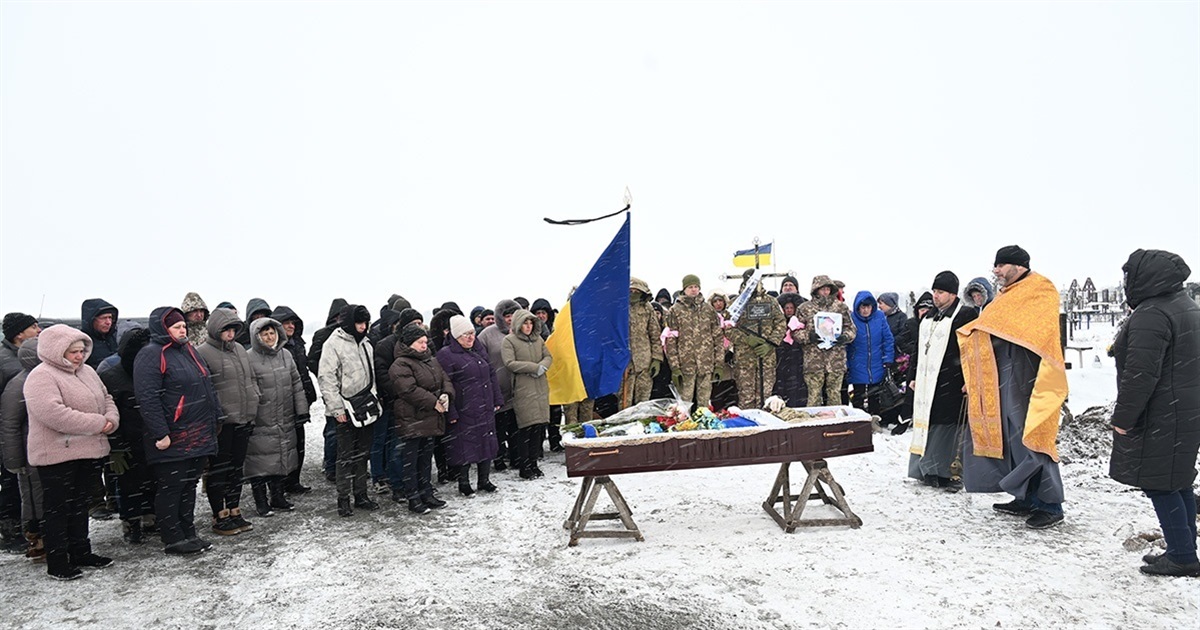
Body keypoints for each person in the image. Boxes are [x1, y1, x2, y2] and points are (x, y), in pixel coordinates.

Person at [958, 245, 1068, 530]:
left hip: (1030, 376)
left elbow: (1037, 332)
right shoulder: (1006, 295)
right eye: (995, 265)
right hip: (1003, 375)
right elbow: (989, 329)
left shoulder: (1040, 289)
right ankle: (1027, 497)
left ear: (1019, 265)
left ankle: (1051, 505)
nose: (996, 271)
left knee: (1034, 437)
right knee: (1013, 437)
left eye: (1001, 265)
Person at [1109, 249, 1200, 577]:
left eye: (1129, 276)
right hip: (1185, 409)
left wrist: (1123, 419)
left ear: (1144, 277)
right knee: (1177, 480)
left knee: (1160, 483)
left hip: (1162, 412)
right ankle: (1182, 548)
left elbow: (1140, 375)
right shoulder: (1186, 305)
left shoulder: (1152, 313)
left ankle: (1182, 556)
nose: (1126, 283)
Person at [24, 325, 119, 579]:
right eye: (73, 352)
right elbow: (54, 414)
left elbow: (106, 398)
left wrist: (111, 418)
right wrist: (98, 423)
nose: (79, 356)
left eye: (81, 351)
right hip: (57, 455)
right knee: (57, 509)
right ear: (57, 351)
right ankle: (58, 561)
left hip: (88, 450)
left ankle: (80, 552)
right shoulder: (41, 376)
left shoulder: (87, 372)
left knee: (79, 505)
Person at [134, 307, 221, 554]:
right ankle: (172, 537)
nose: (182, 330)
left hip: (198, 431)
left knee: (189, 485)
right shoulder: (152, 354)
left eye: (183, 326)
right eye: (176, 327)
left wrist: (217, 416)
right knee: (172, 487)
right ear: (163, 328)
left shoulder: (189, 350)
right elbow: (147, 398)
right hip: (173, 435)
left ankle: (188, 532)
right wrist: (160, 433)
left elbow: (207, 386)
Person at [905, 272, 977, 490]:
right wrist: (912, 375)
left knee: (949, 427)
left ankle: (949, 473)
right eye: (935, 291)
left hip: (952, 380)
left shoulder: (965, 315)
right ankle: (927, 470)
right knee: (929, 424)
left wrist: (969, 378)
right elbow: (919, 349)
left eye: (941, 292)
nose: (935, 296)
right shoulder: (929, 317)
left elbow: (972, 350)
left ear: (953, 294)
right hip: (927, 382)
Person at [195, 308, 260, 535]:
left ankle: (234, 509)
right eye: (226, 330)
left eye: (233, 329)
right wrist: (215, 415)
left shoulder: (240, 349)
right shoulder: (202, 352)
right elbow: (204, 389)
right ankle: (219, 514)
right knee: (219, 469)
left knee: (236, 467)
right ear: (216, 329)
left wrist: (255, 398)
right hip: (221, 423)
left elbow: (251, 378)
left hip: (243, 417)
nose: (230, 334)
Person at [318, 304, 379, 517]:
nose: (363, 326)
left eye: (365, 322)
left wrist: (373, 400)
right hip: (345, 408)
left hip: (365, 406)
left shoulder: (366, 343)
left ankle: (361, 494)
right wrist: (336, 409)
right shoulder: (333, 344)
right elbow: (326, 378)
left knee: (363, 454)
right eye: (359, 322)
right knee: (345, 457)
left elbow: (371, 375)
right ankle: (343, 498)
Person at [245, 318, 308, 520]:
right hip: (261, 417)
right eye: (264, 334)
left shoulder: (285, 355)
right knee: (259, 461)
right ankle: (260, 501)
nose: (269, 337)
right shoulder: (249, 358)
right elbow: (248, 388)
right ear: (256, 336)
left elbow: (296, 382)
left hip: (284, 414)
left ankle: (278, 496)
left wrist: (301, 409)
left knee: (281, 456)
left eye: (272, 333)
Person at [390, 322, 453, 513]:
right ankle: (413, 497)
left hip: (431, 417)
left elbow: (445, 379)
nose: (424, 345)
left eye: (425, 342)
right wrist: (433, 401)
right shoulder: (400, 364)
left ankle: (426, 492)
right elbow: (408, 390)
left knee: (425, 458)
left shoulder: (431, 360)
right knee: (411, 460)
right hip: (413, 417)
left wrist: (446, 394)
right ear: (409, 343)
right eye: (420, 342)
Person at [437, 315, 503, 496]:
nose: (470, 337)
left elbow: (491, 375)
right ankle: (464, 483)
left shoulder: (478, 350)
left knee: (486, 442)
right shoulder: (446, 355)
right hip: (464, 407)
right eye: (465, 334)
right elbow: (445, 385)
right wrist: (451, 411)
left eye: (472, 333)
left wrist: (497, 399)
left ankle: (484, 480)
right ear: (456, 336)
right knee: (464, 446)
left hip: (484, 405)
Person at [1, 338, 45, 558]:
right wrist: (14, 460)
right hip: (28, 451)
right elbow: (9, 424)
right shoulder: (19, 384)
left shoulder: (47, 378)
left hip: (45, 448)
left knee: (43, 494)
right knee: (32, 496)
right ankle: (35, 537)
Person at [269, 305, 317, 495]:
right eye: (287, 323)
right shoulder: (276, 348)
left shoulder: (298, 344)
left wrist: (309, 394)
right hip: (282, 403)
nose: (291, 326)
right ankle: (279, 485)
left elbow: (303, 372)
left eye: (293, 323)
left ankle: (293, 481)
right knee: (282, 447)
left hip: (300, 400)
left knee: (299, 444)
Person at [502, 309, 553, 480]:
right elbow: (509, 362)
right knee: (526, 429)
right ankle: (524, 466)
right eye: (525, 323)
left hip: (540, 388)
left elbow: (548, 356)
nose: (529, 326)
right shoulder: (509, 341)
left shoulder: (538, 340)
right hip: (524, 389)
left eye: (531, 323)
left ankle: (534, 463)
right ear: (518, 324)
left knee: (538, 428)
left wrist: (543, 366)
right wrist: (533, 367)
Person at [728, 271, 786, 410]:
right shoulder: (736, 303)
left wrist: (770, 343)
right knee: (746, 397)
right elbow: (727, 327)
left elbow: (781, 323)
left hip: (766, 357)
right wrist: (746, 339)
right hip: (744, 358)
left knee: (766, 397)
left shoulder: (771, 301)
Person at [664, 274, 723, 411]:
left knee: (704, 403)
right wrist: (675, 367)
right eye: (690, 287)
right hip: (685, 364)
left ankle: (704, 421)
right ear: (684, 289)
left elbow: (718, 337)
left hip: (706, 363)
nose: (694, 289)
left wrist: (719, 364)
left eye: (696, 286)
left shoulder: (708, 309)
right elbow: (671, 340)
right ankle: (684, 422)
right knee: (684, 404)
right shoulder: (675, 310)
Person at [796, 275, 856, 406]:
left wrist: (845, 337)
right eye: (822, 289)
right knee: (814, 397)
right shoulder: (804, 308)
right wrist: (808, 336)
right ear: (815, 290)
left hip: (836, 360)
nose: (825, 292)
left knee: (834, 396)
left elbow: (851, 329)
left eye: (828, 289)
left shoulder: (841, 308)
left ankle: (835, 419)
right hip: (813, 360)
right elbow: (795, 332)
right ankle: (813, 419)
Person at [477, 299, 521, 471]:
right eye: (506, 316)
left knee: (517, 427)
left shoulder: (523, 331)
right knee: (499, 428)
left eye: (513, 315)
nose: (510, 319)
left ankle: (517, 457)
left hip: (519, 389)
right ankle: (499, 457)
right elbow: (479, 359)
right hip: (498, 388)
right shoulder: (487, 334)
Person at [308, 297, 348, 482]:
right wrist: (326, 377)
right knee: (333, 428)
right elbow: (312, 360)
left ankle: (340, 465)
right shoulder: (323, 335)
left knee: (345, 430)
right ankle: (332, 465)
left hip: (349, 389)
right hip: (332, 389)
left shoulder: (349, 334)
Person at [845, 291, 895, 415]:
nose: (866, 310)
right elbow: (846, 343)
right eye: (863, 307)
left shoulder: (880, 317)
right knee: (858, 395)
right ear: (858, 307)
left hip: (877, 362)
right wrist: (846, 362)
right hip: (857, 362)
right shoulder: (851, 319)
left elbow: (887, 339)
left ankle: (875, 418)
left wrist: (888, 358)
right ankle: (859, 419)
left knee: (875, 396)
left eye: (868, 307)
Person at [625, 278, 665, 410]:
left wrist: (657, 359)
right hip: (625, 362)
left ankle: (641, 421)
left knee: (643, 399)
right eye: (631, 291)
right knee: (624, 399)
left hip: (644, 361)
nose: (633, 294)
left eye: (636, 291)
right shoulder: (619, 307)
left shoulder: (648, 308)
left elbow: (655, 335)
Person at [773, 292, 808, 407]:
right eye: (786, 308)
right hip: (781, 359)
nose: (789, 310)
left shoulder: (800, 324)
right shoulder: (778, 324)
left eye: (791, 308)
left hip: (797, 359)